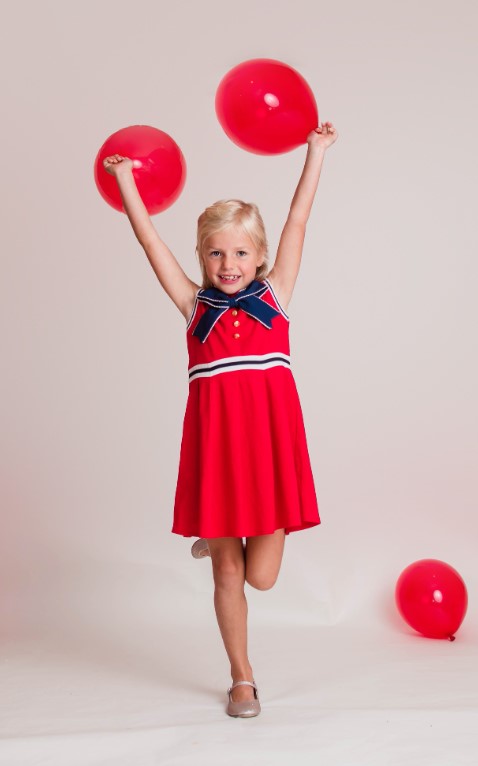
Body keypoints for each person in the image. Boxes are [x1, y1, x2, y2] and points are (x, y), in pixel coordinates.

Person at [103, 121, 338, 718]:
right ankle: (242, 678)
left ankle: (223, 542)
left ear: (258, 258)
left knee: (263, 577)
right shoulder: (193, 307)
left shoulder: (275, 297)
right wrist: (129, 182)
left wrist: (314, 153)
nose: (227, 263)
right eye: (215, 252)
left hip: (266, 454)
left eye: (239, 252)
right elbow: (149, 242)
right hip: (217, 455)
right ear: (202, 257)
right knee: (229, 573)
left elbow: (298, 221)